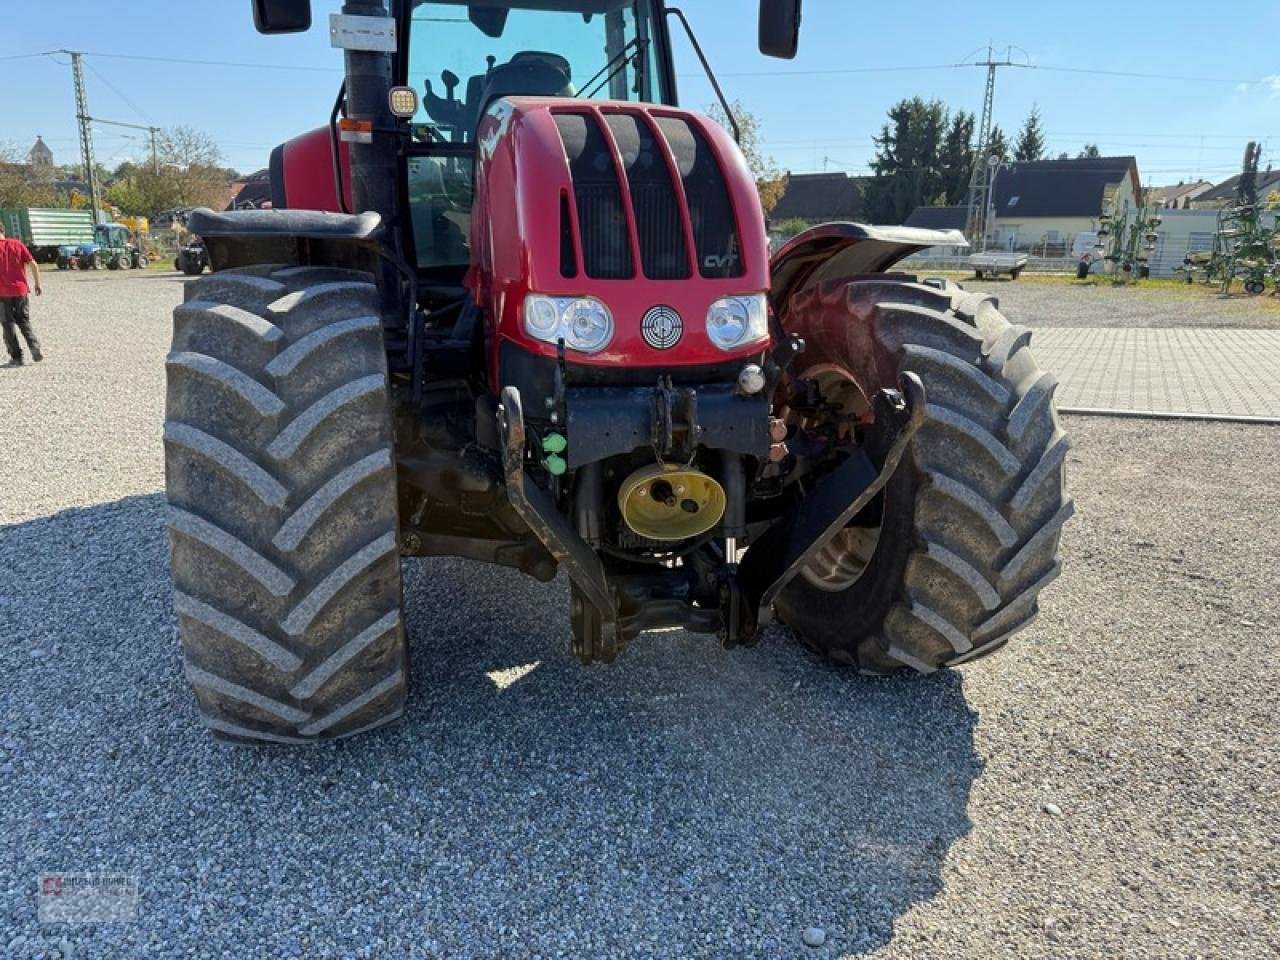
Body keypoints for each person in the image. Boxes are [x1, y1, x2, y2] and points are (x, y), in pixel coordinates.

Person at [0, 221, 44, 366]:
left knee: (8, 324)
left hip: (2, 293)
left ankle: (16, 357)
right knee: (23, 320)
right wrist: (37, 284)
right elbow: (33, 264)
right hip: (21, 291)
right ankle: (34, 347)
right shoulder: (17, 244)